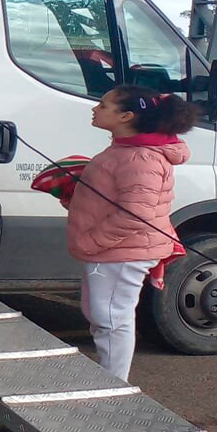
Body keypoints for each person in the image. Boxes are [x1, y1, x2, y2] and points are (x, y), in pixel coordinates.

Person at [66, 85, 197, 382]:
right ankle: (110, 381)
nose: (95, 109)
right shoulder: (126, 150)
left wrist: (91, 242)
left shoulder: (140, 158)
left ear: (126, 116)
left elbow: (136, 214)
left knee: (112, 320)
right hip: (116, 251)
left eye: (103, 105)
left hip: (121, 252)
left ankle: (113, 386)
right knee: (106, 319)